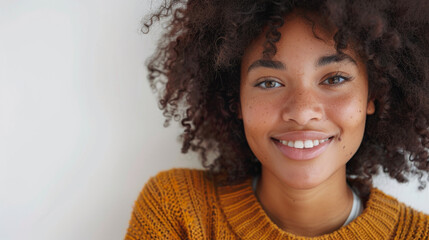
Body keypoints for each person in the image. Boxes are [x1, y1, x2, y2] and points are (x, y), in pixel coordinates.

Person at [125, 0, 429, 239]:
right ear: (237, 99)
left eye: (334, 78)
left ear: (372, 94)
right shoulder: (178, 211)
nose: (301, 111)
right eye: (269, 82)